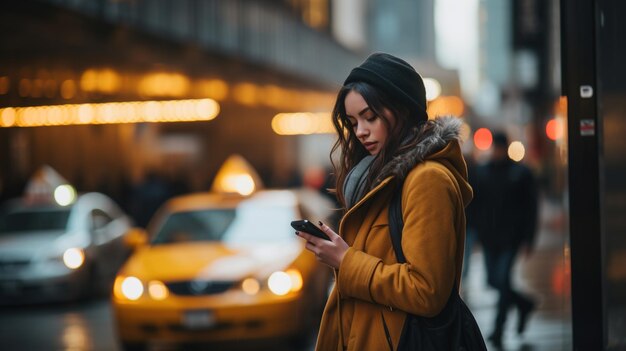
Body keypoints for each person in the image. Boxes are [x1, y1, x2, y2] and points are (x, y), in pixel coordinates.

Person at [295, 52, 473, 351]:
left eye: (370, 117)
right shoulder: (378, 180)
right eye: (352, 122)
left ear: (402, 110)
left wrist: (346, 261)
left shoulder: (426, 180)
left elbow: (426, 291)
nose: (360, 131)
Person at [472, 131, 538, 348]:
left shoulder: (520, 173)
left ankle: (499, 329)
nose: (497, 151)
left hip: (511, 239)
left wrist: (529, 238)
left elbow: (530, 208)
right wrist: (476, 233)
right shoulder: (482, 172)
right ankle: (524, 304)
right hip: (490, 239)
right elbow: (475, 205)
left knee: (502, 279)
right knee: (493, 280)